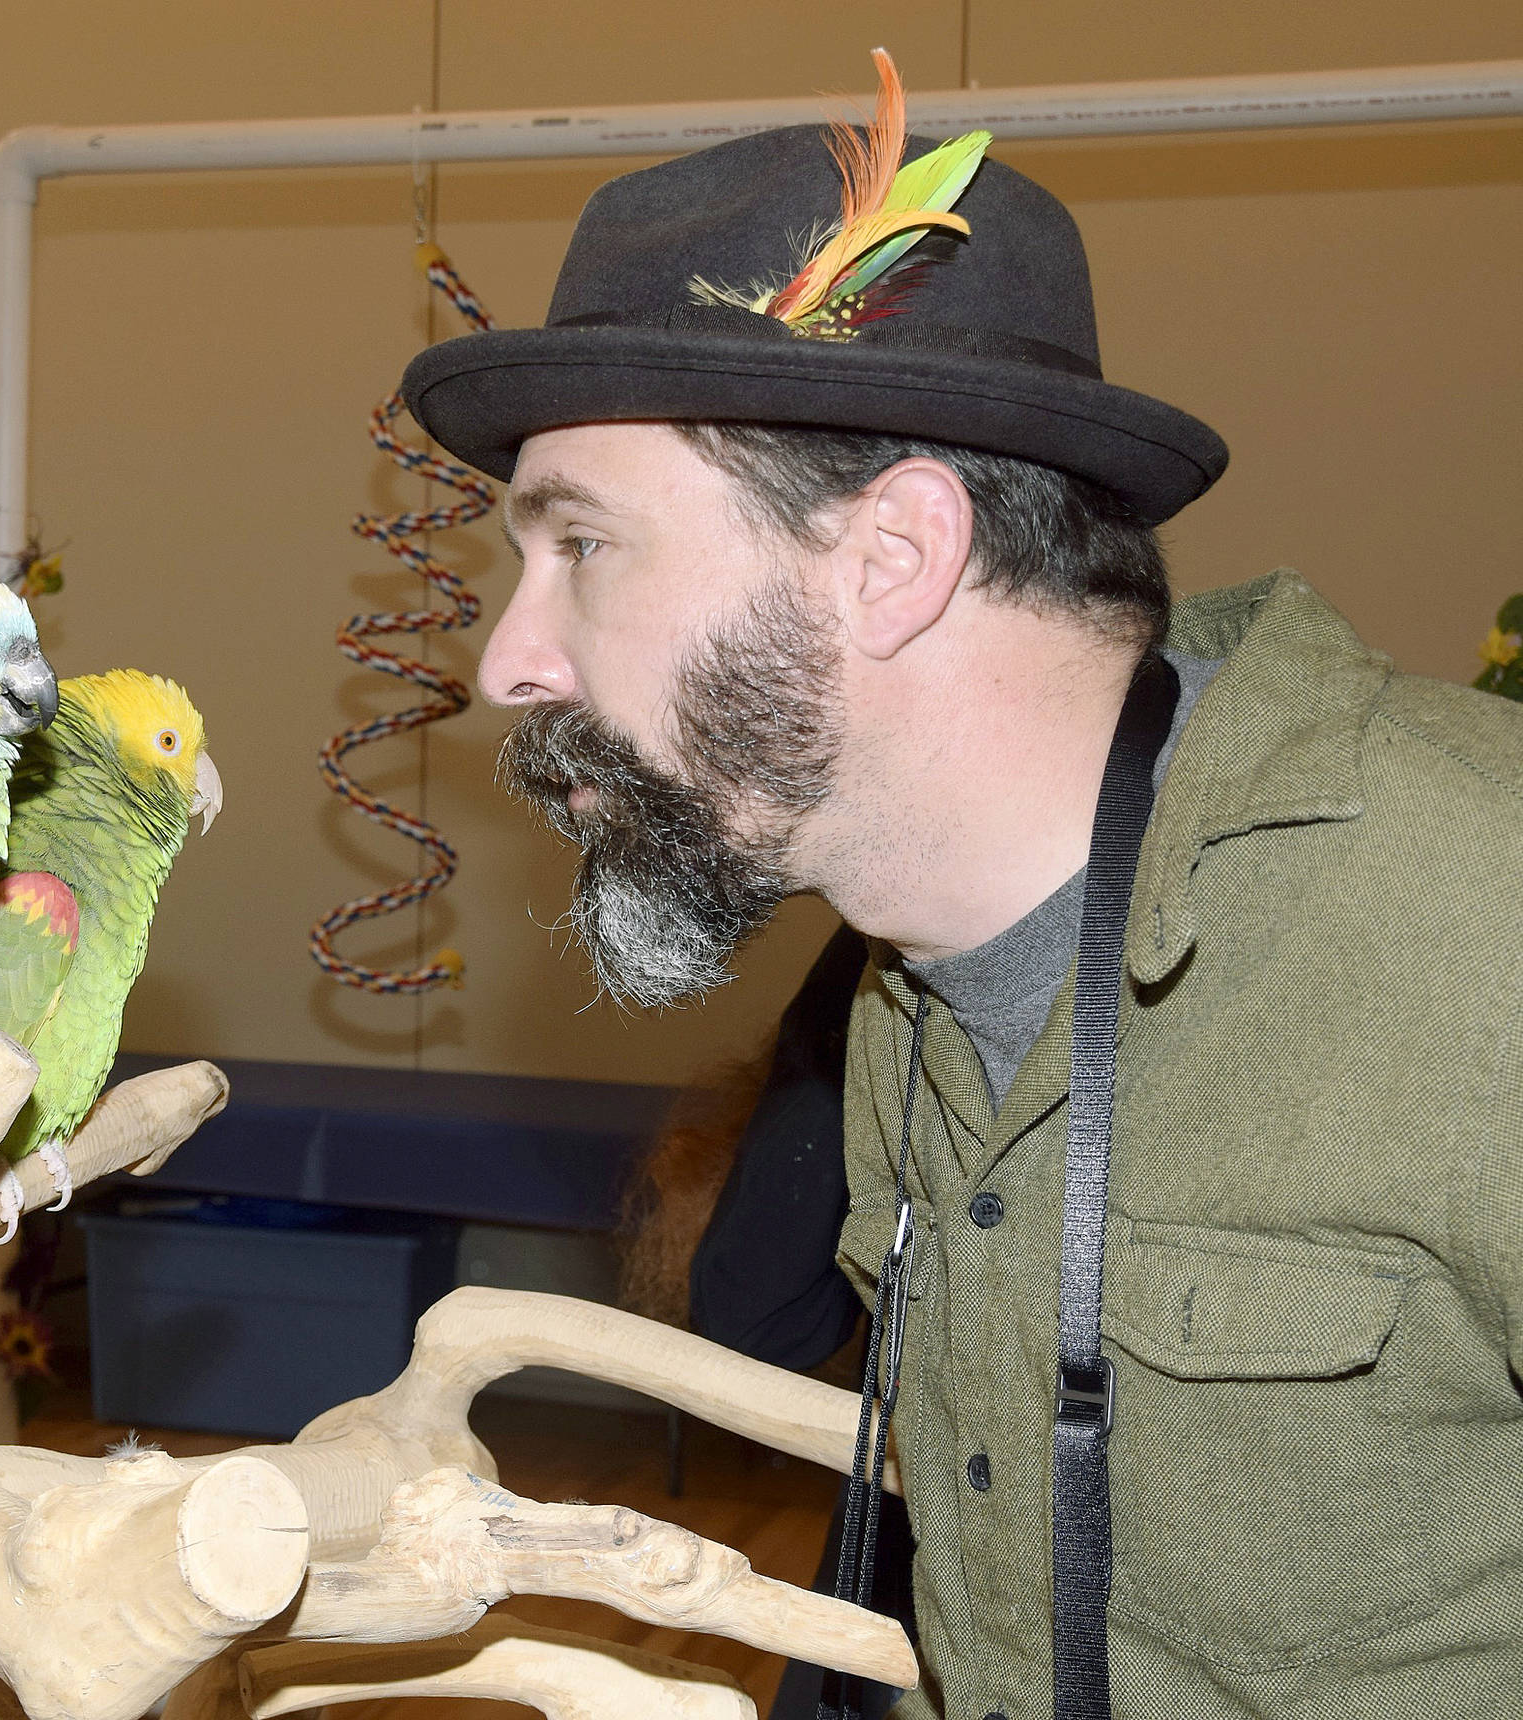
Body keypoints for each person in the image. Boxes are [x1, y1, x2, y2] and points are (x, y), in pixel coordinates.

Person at [398, 66, 1523, 1720]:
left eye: (582, 545)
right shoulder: (908, 984)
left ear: (892, 559)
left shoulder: (1474, 919)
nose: (509, 658)